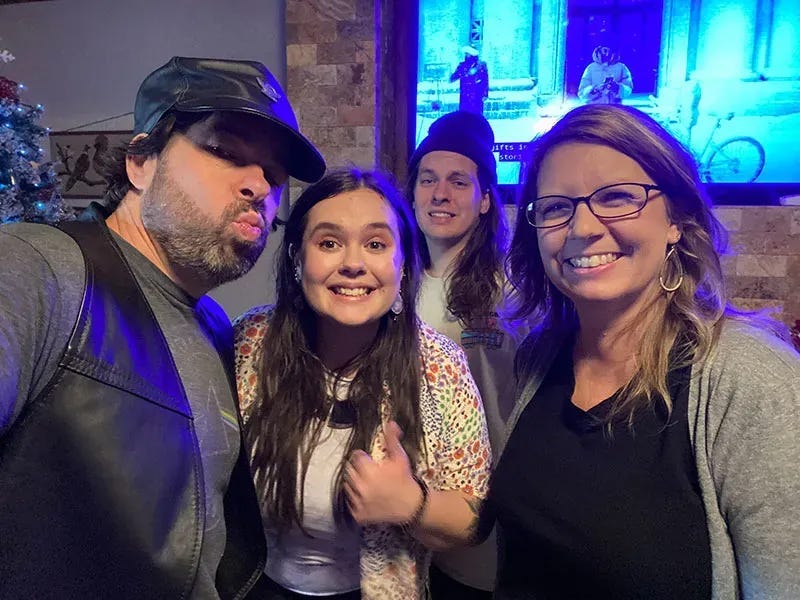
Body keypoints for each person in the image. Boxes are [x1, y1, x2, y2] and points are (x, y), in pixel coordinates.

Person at [0, 56, 326, 599]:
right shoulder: (37, 267)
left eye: (274, 175)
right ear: (141, 162)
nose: (259, 186)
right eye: (225, 151)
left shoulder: (216, 325)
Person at [487, 104, 800, 598]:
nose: (582, 228)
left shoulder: (752, 382)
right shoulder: (539, 357)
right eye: (555, 208)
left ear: (676, 218)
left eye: (616, 197)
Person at [233, 168, 491, 600]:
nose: (353, 264)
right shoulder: (249, 342)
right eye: (329, 243)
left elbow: (474, 519)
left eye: (375, 244)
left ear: (402, 265)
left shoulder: (440, 367)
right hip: (252, 584)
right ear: (297, 259)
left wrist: (412, 504)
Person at [405, 110, 522, 598]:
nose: (440, 194)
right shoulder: (393, 283)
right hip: (411, 513)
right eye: (427, 179)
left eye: (458, 181)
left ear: (485, 200)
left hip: (494, 512)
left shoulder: (513, 293)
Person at [449, 46, 489, 115]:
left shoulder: (481, 65)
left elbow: (485, 80)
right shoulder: (463, 65)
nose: (466, 55)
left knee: (476, 114)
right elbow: (453, 78)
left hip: (477, 94)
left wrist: (485, 93)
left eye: (467, 53)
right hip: (466, 93)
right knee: (465, 114)